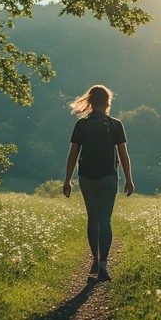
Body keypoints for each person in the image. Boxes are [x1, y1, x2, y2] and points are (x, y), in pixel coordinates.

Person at [63, 85, 134, 282]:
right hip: (108, 178)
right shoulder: (115, 124)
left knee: (92, 218)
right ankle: (103, 266)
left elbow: (73, 154)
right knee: (105, 220)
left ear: (90, 102)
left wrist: (67, 179)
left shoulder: (81, 125)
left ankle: (95, 258)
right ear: (108, 102)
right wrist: (129, 179)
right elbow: (123, 155)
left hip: (86, 177)